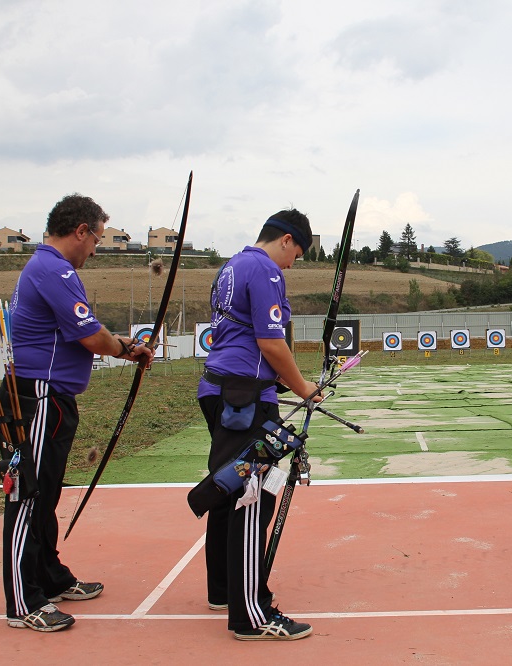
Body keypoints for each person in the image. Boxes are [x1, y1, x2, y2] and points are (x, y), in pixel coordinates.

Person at [0, 194, 153, 632]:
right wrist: (127, 349)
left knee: (44, 493)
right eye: (96, 239)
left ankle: (48, 577)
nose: (95, 249)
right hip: (39, 398)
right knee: (28, 496)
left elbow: (83, 330)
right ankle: (22, 600)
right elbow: (90, 337)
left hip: (50, 398)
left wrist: (122, 345)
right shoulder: (53, 268)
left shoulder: (50, 268)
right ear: (80, 230)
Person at [196, 208, 320, 641]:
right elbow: (270, 340)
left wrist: (281, 383)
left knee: (229, 485)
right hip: (244, 398)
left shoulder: (231, 266)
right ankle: (251, 612)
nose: (294, 263)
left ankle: (224, 589)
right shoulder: (265, 269)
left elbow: (245, 337)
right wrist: (303, 386)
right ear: (285, 239)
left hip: (223, 388)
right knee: (252, 494)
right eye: (297, 253)